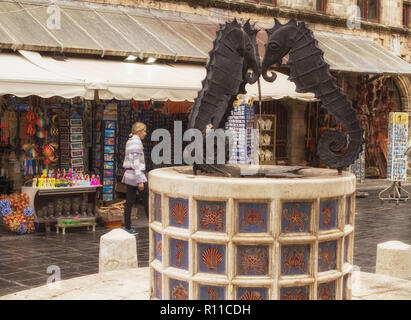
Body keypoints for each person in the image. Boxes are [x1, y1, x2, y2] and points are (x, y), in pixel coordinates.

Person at [122, 122, 149, 234]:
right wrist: (140, 180)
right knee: (147, 200)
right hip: (136, 175)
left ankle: (127, 226)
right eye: (143, 131)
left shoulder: (130, 141)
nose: (145, 133)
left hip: (130, 175)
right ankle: (152, 224)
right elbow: (136, 163)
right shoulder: (136, 143)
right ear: (138, 131)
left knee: (130, 201)